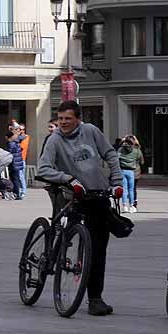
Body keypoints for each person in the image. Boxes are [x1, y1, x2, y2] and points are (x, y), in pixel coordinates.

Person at [38, 100, 124, 317]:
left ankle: (95, 298)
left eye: (68, 119)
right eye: (60, 119)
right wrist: (68, 179)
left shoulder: (91, 131)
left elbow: (110, 155)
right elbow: (44, 168)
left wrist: (117, 182)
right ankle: (56, 255)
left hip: (98, 194)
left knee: (98, 248)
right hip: (70, 195)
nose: (63, 123)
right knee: (66, 232)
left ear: (78, 118)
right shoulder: (54, 140)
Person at [116, 135, 143, 213]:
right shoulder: (136, 150)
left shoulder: (121, 149)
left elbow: (116, 157)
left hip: (123, 170)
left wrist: (122, 142)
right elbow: (140, 159)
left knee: (125, 189)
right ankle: (132, 206)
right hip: (131, 171)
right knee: (131, 189)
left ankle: (124, 206)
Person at [10, 123, 30, 199]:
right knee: (15, 177)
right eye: (19, 129)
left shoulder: (25, 137)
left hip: (21, 160)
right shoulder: (17, 137)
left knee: (21, 176)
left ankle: (23, 192)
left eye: (22, 129)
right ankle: (17, 192)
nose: (20, 131)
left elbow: (21, 147)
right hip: (15, 159)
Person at [6, 130, 25, 200]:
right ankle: (17, 193)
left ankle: (17, 193)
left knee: (15, 179)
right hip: (18, 163)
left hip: (14, 164)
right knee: (17, 178)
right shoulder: (17, 142)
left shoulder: (11, 144)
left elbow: (9, 153)